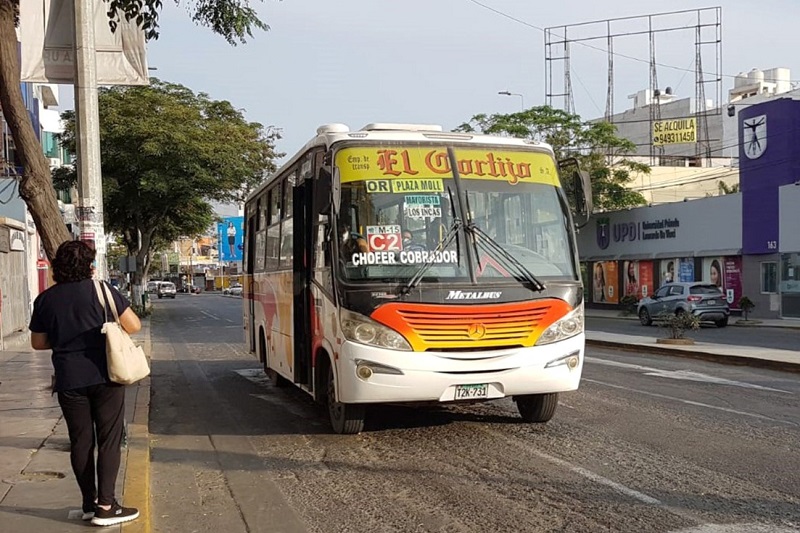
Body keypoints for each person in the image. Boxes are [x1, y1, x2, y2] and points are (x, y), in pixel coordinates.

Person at [29, 241, 142, 527]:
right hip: (106, 375)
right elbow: (134, 325)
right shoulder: (102, 290)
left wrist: (66, 338)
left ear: (58, 267)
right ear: (89, 265)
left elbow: (38, 342)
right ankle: (107, 506)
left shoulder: (45, 299)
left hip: (69, 378)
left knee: (80, 441)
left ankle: (89, 504)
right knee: (109, 440)